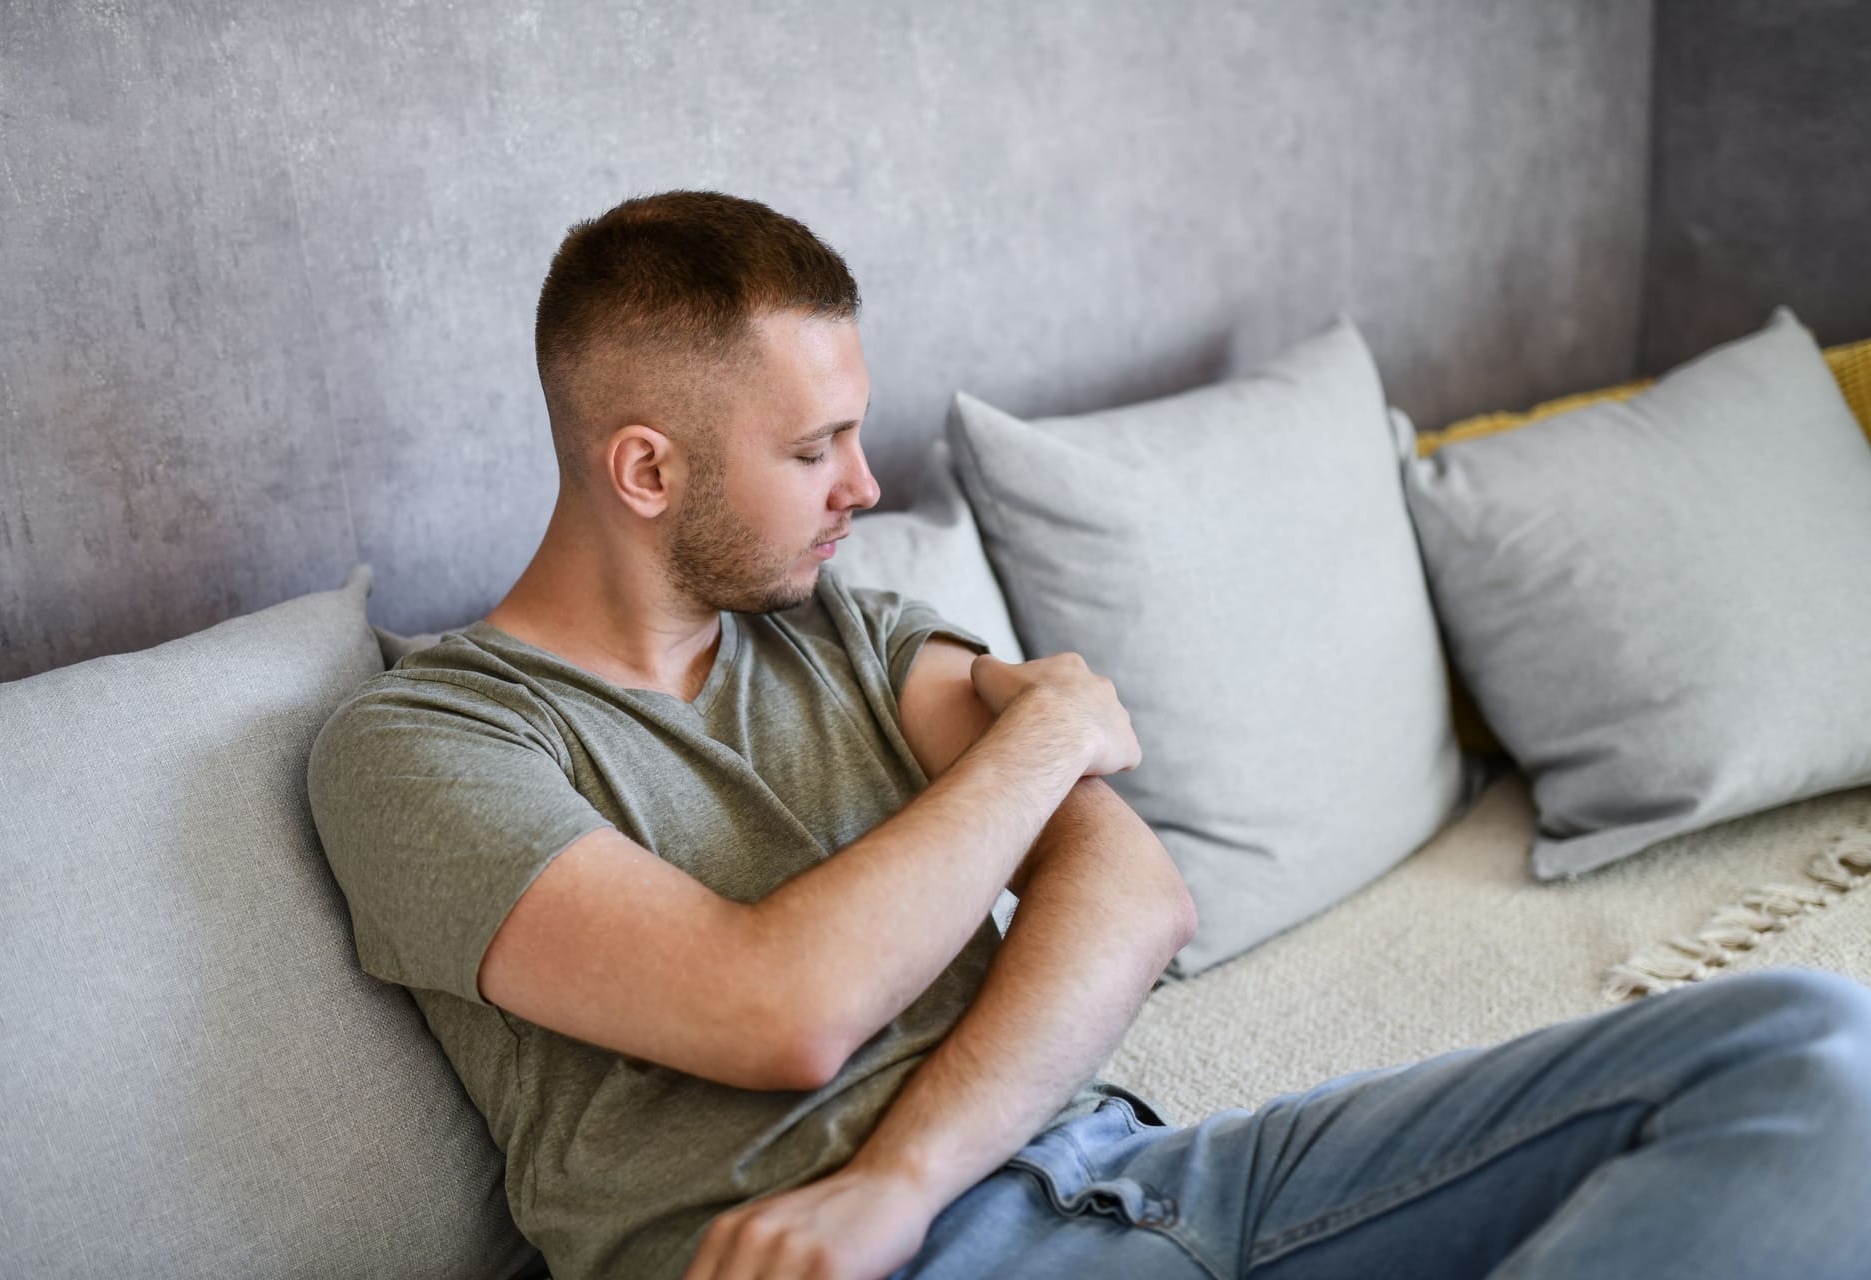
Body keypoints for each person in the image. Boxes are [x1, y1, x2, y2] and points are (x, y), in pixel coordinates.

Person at [305, 189, 1871, 1280]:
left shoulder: (846, 623)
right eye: (815, 447)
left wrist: (905, 1177)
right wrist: (1044, 732)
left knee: (1802, 1048)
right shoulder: (428, 745)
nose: (864, 486)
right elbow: (776, 1008)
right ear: (645, 471)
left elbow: (1135, 899)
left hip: (1155, 1177)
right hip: (907, 1266)